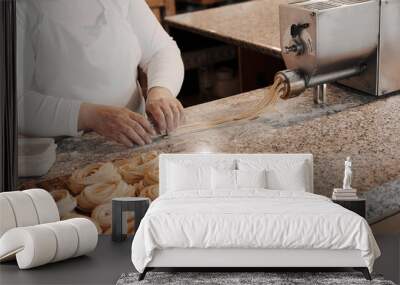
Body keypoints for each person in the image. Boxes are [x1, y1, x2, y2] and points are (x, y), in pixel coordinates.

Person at [17, 0, 184, 147]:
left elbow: (160, 50)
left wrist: (160, 90)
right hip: (54, 151)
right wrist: (91, 117)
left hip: (135, 140)